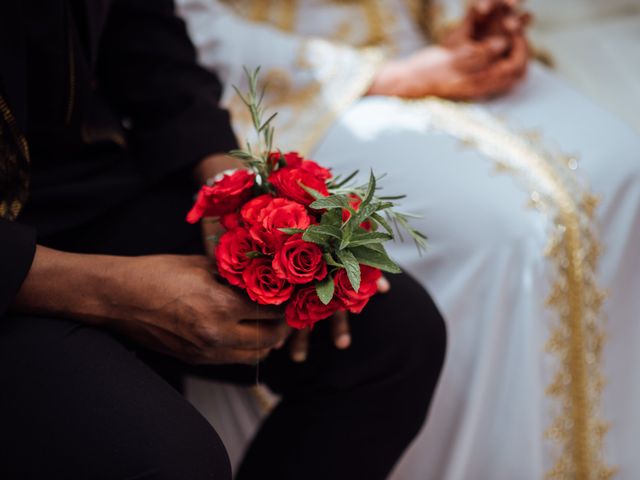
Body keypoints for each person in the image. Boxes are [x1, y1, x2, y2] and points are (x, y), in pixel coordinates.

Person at [177, 0, 640, 478]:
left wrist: (474, 27)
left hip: (428, 50)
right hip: (288, 88)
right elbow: (178, 22)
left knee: (624, 172)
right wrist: (384, 77)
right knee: (501, 230)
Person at [0, 1, 447, 479]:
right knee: (172, 461)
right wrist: (111, 292)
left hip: (70, 182)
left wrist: (235, 191)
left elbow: (142, 34)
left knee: (395, 333)